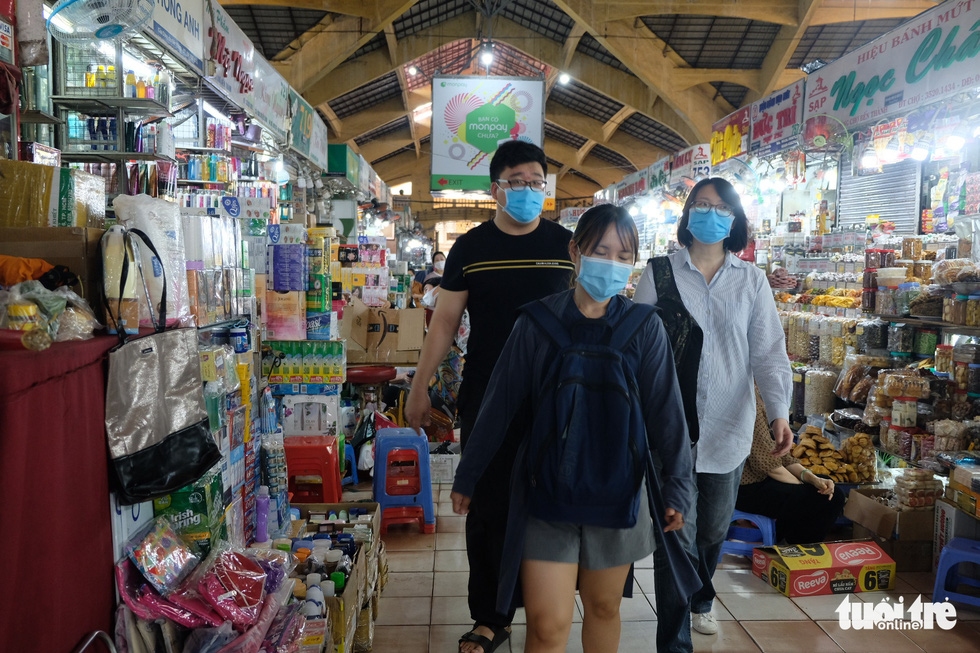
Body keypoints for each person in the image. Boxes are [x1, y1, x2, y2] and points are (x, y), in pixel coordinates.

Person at [451, 205, 698, 653]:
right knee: (548, 625)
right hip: (546, 493)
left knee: (604, 611)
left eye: (623, 255)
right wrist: (469, 476)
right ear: (575, 251)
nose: (612, 262)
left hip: (620, 493)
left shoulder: (645, 327)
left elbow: (669, 415)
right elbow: (498, 403)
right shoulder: (536, 323)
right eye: (601, 250)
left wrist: (679, 488)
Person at [405, 140, 576, 653]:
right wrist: (419, 386)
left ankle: (548, 605)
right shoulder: (471, 247)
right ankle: (491, 615)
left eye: (536, 182)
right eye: (518, 182)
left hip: (558, 395)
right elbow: (445, 325)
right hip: (486, 394)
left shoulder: (567, 244)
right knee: (485, 503)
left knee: (551, 501)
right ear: (495, 189)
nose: (528, 191)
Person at [633, 177, 793, 651]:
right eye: (700, 205)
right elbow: (636, 345)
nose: (709, 214)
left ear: (735, 220)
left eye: (720, 207)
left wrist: (779, 412)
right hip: (670, 428)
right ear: (686, 216)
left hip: (729, 428)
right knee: (674, 536)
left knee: (712, 531)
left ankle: (702, 595)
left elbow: (768, 351)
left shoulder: (751, 280)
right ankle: (674, 638)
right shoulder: (658, 273)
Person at [736, 392, 845, 544]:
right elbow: (768, 464)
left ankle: (786, 541)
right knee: (831, 499)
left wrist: (812, 478)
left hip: (759, 480)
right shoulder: (749, 399)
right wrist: (804, 485)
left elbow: (781, 454)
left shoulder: (759, 395)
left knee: (825, 484)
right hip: (744, 489)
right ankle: (795, 550)